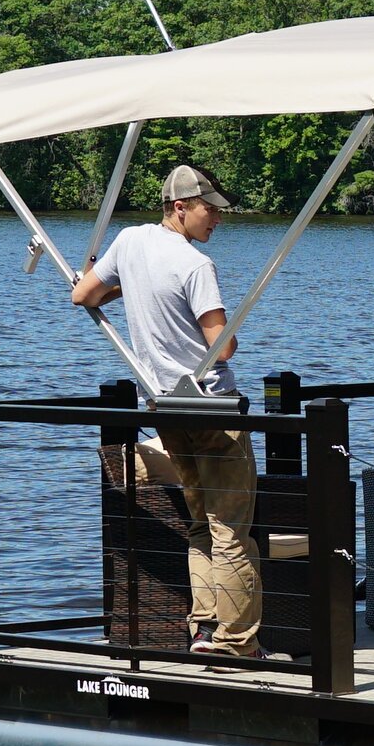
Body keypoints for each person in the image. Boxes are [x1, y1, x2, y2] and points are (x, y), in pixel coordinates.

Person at [70, 163, 273, 660]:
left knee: (202, 523)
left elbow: (83, 294)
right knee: (231, 532)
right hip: (214, 409)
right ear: (180, 207)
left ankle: (202, 630)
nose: (217, 220)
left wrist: (127, 288)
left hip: (165, 407)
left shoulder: (131, 242)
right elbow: (222, 348)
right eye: (210, 210)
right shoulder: (195, 266)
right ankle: (237, 644)